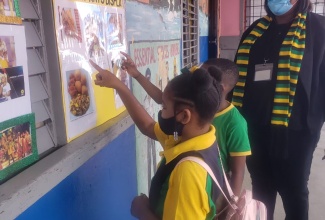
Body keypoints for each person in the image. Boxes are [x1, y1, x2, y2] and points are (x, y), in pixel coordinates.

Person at [90, 58, 224, 220]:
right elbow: (148, 126)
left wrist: (142, 211)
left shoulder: (188, 171)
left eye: (164, 107)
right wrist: (120, 86)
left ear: (184, 116)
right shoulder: (202, 138)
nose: (162, 113)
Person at [231, 1, 325, 219]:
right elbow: (236, 76)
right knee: (262, 187)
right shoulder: (255, 31)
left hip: (297, 130)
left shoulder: (318, 29)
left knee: (294, 189)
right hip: (253, 125)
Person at [121, 52, 251, 199]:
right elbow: (162, 100)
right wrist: (137, 75)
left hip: (208, 192)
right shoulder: (195, 107)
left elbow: (238, 171)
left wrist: (230, 206)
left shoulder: (235, 124)